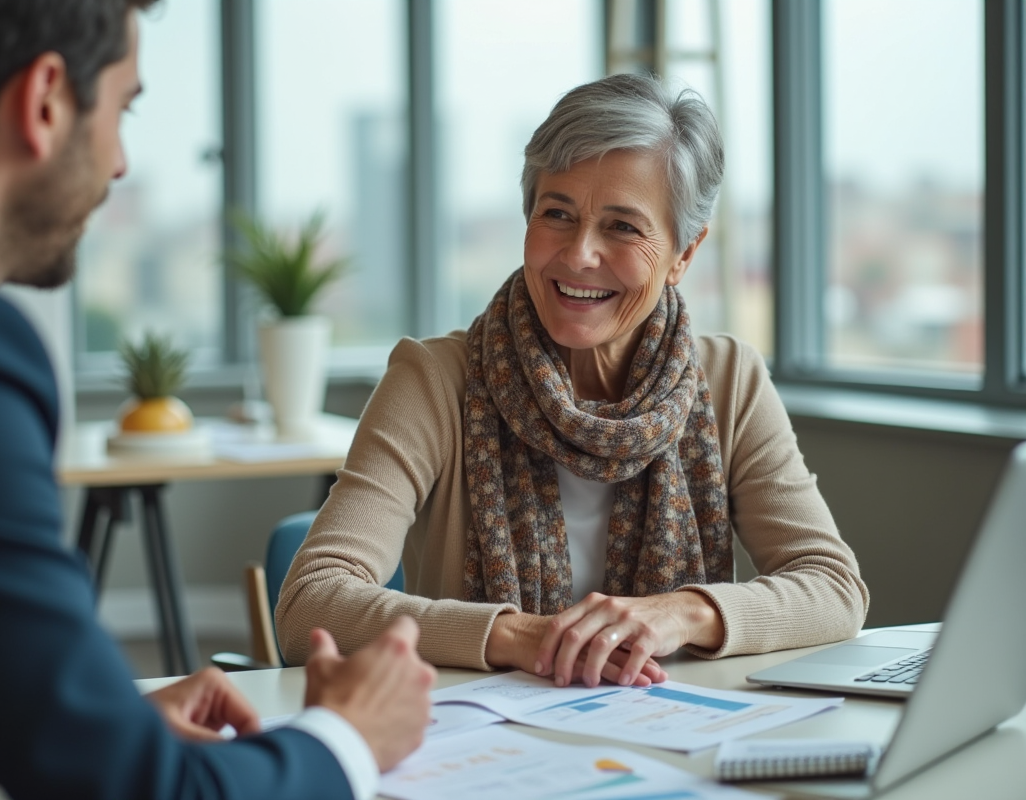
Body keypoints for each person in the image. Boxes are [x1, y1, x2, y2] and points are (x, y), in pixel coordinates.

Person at [0, 1, 435, 798]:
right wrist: (347, 737)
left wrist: (92, 721)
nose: (119, 163)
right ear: (44, 100)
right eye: (124, 108)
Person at [276, 73, 869, 691]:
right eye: (557, 213)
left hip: (673, 727)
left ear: (684, 254)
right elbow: (309, 606)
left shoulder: (730, 380)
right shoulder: (433, 380)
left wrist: (683, 612)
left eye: (622, 226)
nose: (580, 254)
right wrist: (519, 635)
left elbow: (832, 586)